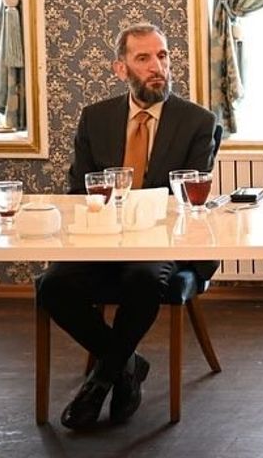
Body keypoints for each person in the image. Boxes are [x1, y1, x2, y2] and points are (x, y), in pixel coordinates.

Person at [39, 23, 218, 430]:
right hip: (103, 238)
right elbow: (79, 191)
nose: (158, 66)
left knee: (143, 277)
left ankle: (100, 382)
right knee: (52, 286)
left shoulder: (197, 121)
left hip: (163, 240)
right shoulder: (96, 118)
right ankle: (128, 365)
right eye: (143, 58)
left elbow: (186, 199)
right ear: (121, 69)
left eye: (163, 55)